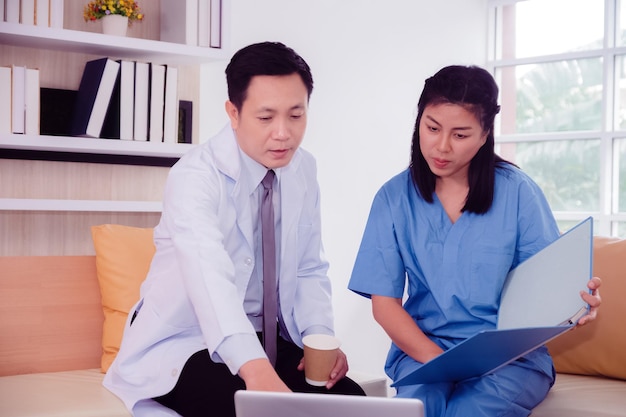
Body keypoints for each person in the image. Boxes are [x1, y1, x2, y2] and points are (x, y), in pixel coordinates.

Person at [104, 41, 365, 417]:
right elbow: (209, 278)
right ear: (233, 112)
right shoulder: (195, 177)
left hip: (269, 340)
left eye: (296, 115)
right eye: (265, 117)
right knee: (246, 409)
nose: (283, 133)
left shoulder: (304, 169)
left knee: (354, 405)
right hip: (188, 343)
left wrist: (317, 339)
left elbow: (309, 266)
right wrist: (256, 371)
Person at [347, 65, 602, 417]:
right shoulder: (392, 199)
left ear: (484, 135)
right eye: (432, 127)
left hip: (511, 360)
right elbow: (385, 304)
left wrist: (577, 304)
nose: (441, 146)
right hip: (425, 352)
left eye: (461, 134)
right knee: (418, 408)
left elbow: (550, 287)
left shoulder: (518, 193)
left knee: (470, 412)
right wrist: (441, 363)